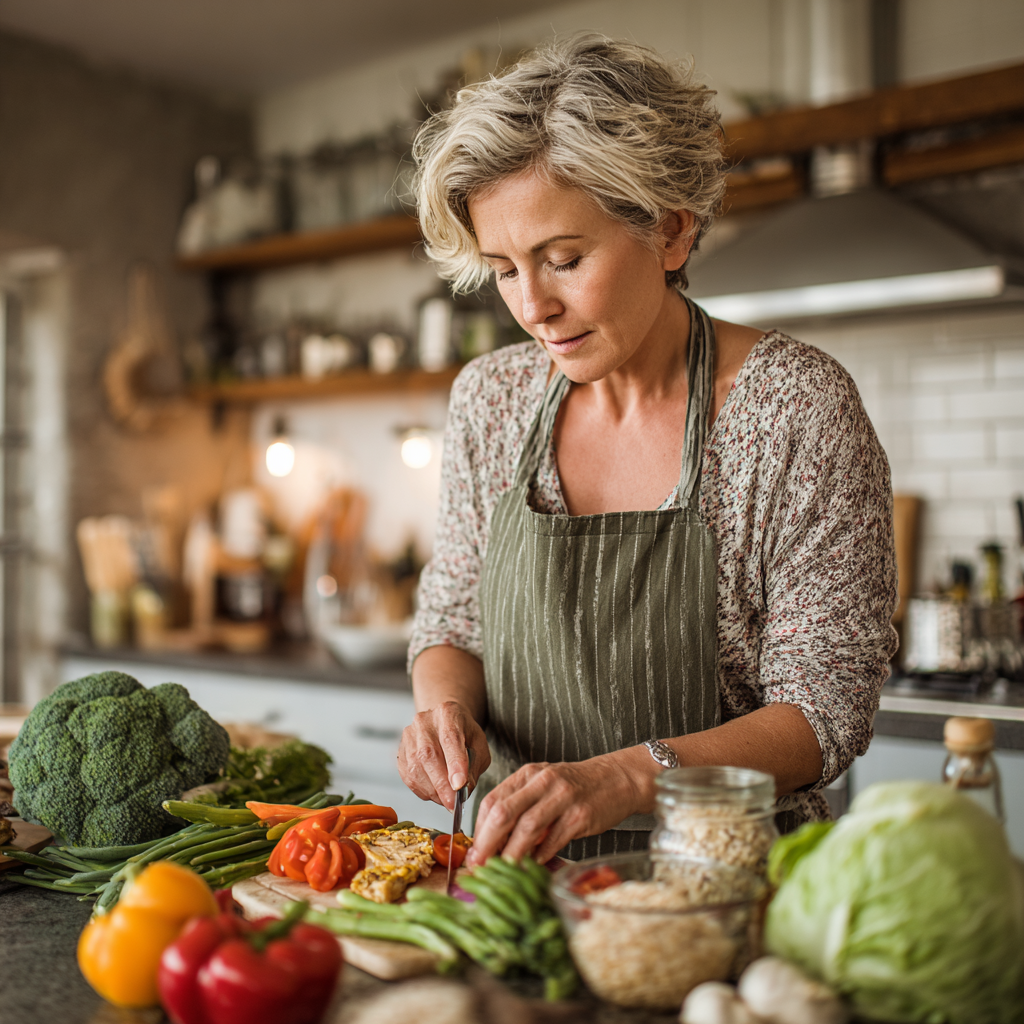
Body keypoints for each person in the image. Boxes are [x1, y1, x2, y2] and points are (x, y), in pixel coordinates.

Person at [398, 35, 897, 866]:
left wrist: (624, 780)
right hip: (517, 892)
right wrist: (442, 710)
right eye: (505, 270)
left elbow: (824, 712)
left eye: (563, 260)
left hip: (731, 892)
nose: (534, 308)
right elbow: (453, 620)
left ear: (669, 231)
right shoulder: (491, 401)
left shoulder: (793, 409)